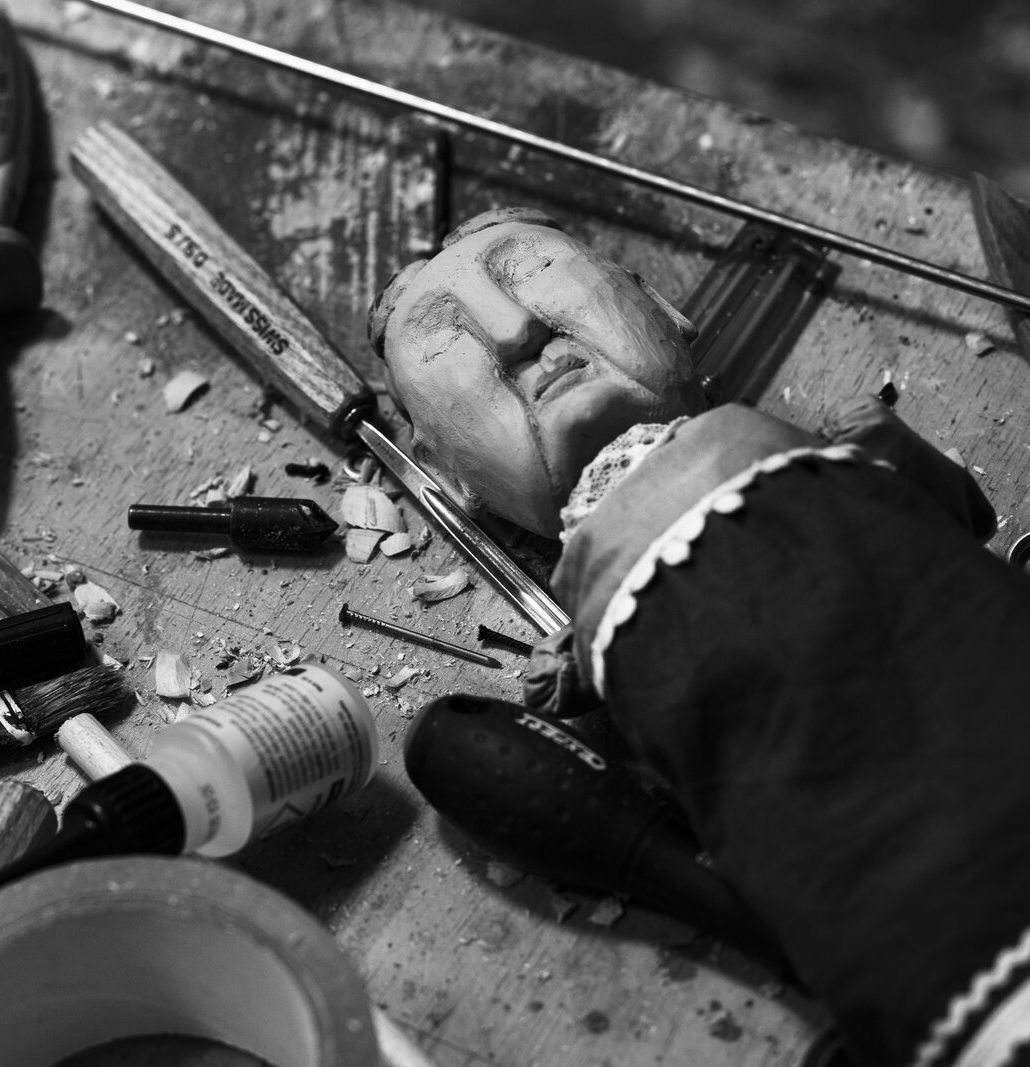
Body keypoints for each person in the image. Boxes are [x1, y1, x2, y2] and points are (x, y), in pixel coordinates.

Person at [370, 207, 1030, 1067]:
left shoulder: (810, 464)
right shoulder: (609, 630)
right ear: (446, 474)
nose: (513, 330)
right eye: (444, 339)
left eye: (529, 267)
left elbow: (956, 522)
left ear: (666, 308)